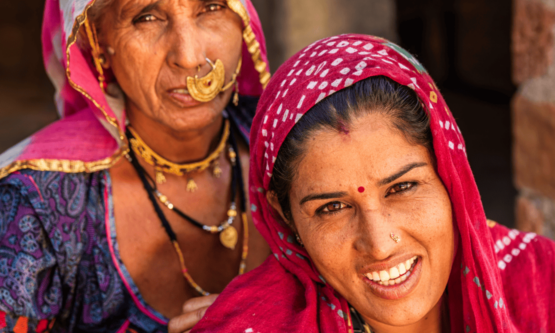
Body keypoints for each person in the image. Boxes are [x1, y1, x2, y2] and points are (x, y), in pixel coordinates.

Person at [192, 34, 555, 333]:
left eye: (402, 188)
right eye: (332, 208)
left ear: (449, 173)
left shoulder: (540, 282)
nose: (380, 246)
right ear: (285, 217)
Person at [0, 0, 271, 331]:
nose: (189, 58)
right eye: (147, 17)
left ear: (242, 20)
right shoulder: (31, 203)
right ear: (99, 42)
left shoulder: (291, 146)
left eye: (211, 7)